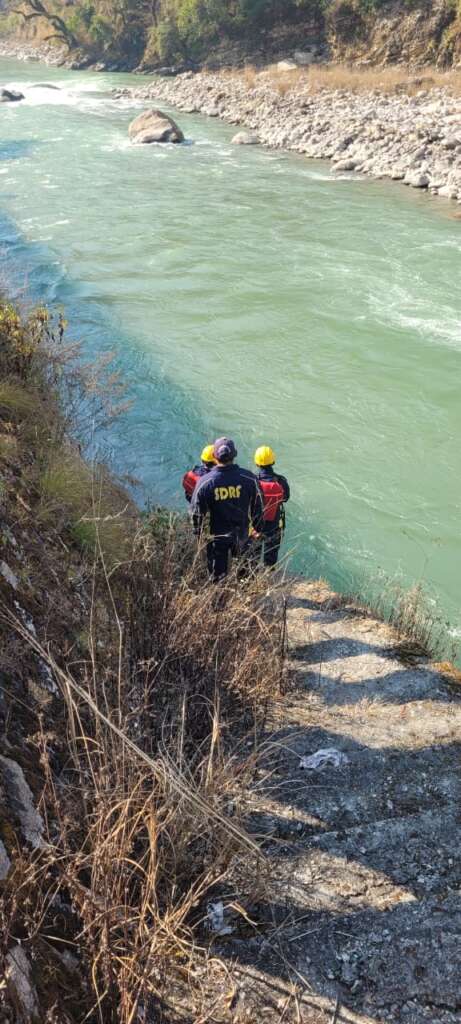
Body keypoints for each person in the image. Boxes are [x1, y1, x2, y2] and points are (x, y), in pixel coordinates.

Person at [191, 437, 264, 581]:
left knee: (217, 578)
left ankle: (220, 593)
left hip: (217, 536)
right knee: (245, 575)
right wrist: (258, 528)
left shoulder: (206, 482)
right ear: (235, 454)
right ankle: (244, 591)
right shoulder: (249, 478)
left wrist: (199, 534)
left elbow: (196, 512)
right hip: (242, 534)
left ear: (214, 456)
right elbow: (259, 505)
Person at [253, 445, 290, 568]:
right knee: (271, 556)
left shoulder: (252, 481)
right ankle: (269, 573)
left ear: (257, 463)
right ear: (273, 461)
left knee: (253, 555)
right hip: (274, 525)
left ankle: (252, 574)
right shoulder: (281, 481)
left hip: (256, 526)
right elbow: (285, 498)